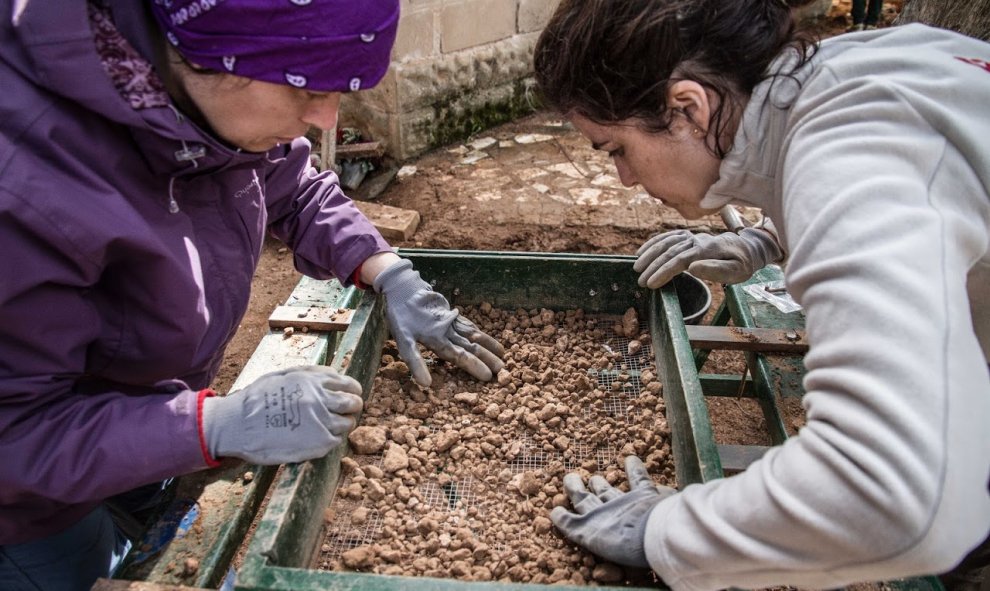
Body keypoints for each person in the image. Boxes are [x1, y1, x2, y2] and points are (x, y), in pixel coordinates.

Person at [0, 1, 504, 589]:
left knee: (157, 517)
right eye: (307, 90)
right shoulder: (24, 186)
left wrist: (385, 268)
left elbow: (292, 185)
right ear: (219, 57)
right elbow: (17, 433)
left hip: (146, 405)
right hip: (29, 504)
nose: (326, 119)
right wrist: (211, 426)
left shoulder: (200, 102)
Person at [533, 1, 990, 590]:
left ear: (687, 109)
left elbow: (901, 502)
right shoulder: (846, 69)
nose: (623, 177)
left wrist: (665, 533)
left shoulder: (849, 151)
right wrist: (769, 239)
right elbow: (925, 189)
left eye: (616, 148)